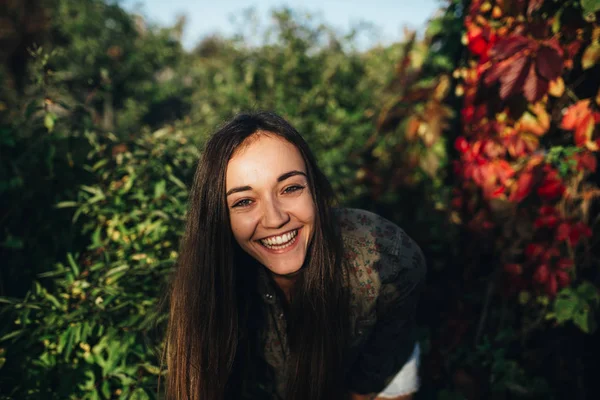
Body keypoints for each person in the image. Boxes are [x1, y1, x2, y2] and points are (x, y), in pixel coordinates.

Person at [165, 111, 426, 400]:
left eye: (290, 188)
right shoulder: (210, 278)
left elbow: (374, 375)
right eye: (244, 201)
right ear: (219, 217)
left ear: (314, 189)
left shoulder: (387, 259)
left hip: (373, 360)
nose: (275, 219)